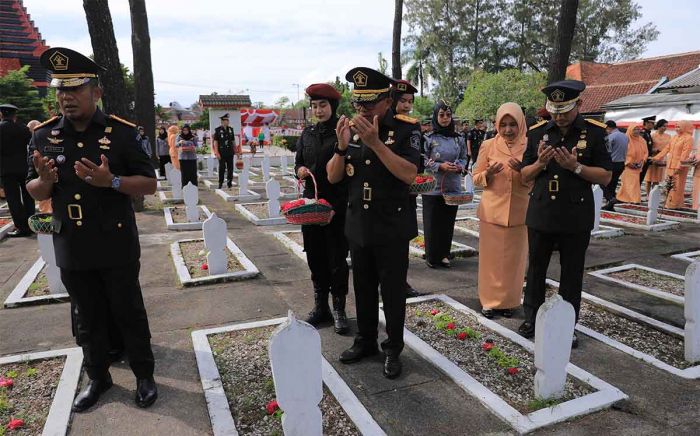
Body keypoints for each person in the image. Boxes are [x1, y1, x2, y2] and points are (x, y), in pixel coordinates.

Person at [26, 47, 157, 411]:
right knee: (87, 316)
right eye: (60, 91)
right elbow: (32, 190)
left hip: (115, 243)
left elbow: (149, 184)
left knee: (128, 311)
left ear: (95, 92)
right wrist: (44, 180)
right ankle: (98, 377)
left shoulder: (123, 134)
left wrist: (111, 181)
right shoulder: (43, 137)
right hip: (72, 244)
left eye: (75, 89)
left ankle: (144, 374)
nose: (66, 98)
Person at [327, 67, 421, 379]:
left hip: (391, 227)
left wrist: (377, 143)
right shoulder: (350, 131)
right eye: (358, 104)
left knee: (392, 293)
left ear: (386, 100)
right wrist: (341, 147)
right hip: (359, 225)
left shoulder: (407, 129)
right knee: (363, 288)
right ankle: (365, 341)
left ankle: (393, 348)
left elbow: (410, 174)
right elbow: (333, 176)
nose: (363, 110)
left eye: (369, 103)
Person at [518, 80, 612, 348]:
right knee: (536, 269)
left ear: (579, 105)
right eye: (554, 110)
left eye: (565, 110)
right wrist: (540, 163)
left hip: (575, 214)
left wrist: (576, 167)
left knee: (572, 272)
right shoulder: (538, 133)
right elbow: (524, 176)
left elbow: (605, 176)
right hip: (541, 211)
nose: (559, 116)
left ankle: (567, 325)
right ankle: (532, 317)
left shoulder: (593, 133)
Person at [294, 84, 349, 334]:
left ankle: (339, 308)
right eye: (314, 106)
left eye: (323, 105)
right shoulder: (307, 134)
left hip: (336, 206)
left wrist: (337, 208)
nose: (318, 110)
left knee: (337, 260)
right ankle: (321, 307)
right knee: (315, 257)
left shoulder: (343, 132)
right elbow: (298, 164)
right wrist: (301, 171)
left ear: (333, 106)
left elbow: (350, 174)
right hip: (311, 206)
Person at [472, 102, 531, 319]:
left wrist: (523, 172)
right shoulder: (488, 145)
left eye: (512, 124)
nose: (507, 130)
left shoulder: (529, 145)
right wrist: (487, 173)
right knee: (491, 261)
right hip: (491, 212)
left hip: (519, 212)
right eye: (503, 124)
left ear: (521, 124)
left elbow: (536, 179)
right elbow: (476, 178)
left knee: (514, 262)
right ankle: (488, 302)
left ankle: (509, 302)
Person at [421, 100, 467, 268]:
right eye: (441, 115)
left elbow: (463, 157)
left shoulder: (459, 138)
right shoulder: (428, 137)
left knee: (447, 222)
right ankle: (432, 256)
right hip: (432, 186)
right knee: (432, 222)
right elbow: (423, 159)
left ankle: (444, 255)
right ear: (436, 116)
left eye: (448, 115)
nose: (445, 118)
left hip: (452, 186)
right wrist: (439, 166)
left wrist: (459, 166)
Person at [392, 79, 422, 298]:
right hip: (381, 195)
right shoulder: (379, 124)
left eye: (410, 101)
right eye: (402, 100)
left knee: (401, 243)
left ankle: (400, 282)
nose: (406, 106)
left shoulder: (410, 127)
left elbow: (415, 161)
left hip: (403, 193)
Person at [0, 103, 34, 237]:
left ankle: (21, 227)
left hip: (6, 169)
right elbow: (31, 146)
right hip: (24, 167)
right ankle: (31, 224)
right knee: (28, 196)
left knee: (13, 198)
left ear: (2, 114)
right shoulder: (23, 128)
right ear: (14, 115)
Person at [652, 120, 694, 209]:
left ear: (684, 127)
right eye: (676, 127)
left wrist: (680, 166)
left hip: (680, 166)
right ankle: (669, 202)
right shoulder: (674, 137)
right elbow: (667, 149)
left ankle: (675, 204)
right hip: (670, 164)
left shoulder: (688, 138)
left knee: (678, 185)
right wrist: (656, 158)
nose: (676, 129)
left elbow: (685, 153)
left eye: (679, 127)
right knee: (669, 184)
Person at [614, 124, 648, 204]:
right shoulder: (625, 140)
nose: (637, 131)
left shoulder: (642, 140)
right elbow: (621, 152)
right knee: (631, 184)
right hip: (627, 166)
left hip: (638, 166)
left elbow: (646, 152)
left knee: (631, 184)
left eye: (638, 129)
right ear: (630, 130)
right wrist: (628, 163)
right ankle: (634, 200)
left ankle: (622, 198)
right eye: (634, 129)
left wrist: (642, 161)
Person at [601, 120, 628, 209]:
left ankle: (610, 198)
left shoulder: (611, 137)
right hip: (621, 163)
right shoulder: (625, 136)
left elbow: (607, 151)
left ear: (608, 127)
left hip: (612, 163)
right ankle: (610, 205)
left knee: (601, 183)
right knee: (613, 184)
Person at [644, 119, 670, 194]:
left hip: (661, 158)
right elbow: (648, 147)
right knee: (649, 178)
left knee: (657, 178)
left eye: (666, 126)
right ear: (658, 126)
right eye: (663, 126)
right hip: (652, 157)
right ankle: (648, 195)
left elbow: (669, 147)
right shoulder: (652, 135)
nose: (665, 128)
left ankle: (653, 194)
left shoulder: (668, 136)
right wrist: (654, 150)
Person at [213, 113, 236, 188]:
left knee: (230, 168)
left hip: (230, 152)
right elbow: (215, 142)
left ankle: (229, 183)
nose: (227, 121)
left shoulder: (231, 129)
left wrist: (236, 150)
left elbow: (233, 141)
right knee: (222, 168)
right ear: (222, 121)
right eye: (225, 120)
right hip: (221, 153)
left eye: (227, 120)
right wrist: (216, 152)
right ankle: (220, 183)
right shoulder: (218, 130)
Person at [638, 115, 656, 185]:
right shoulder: (642, 133)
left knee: (640, 179)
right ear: (646, 123)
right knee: (638, 179)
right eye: (652, 123)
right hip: (642, 160)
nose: (653, 125)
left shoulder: (648, 133)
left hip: (646, 160)